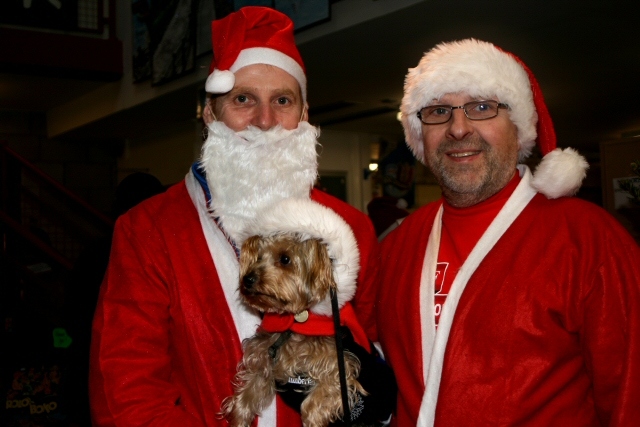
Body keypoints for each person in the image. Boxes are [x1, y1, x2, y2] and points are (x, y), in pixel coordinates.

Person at [89, 7, 383, 427]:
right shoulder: (148, 230)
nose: (264, 122)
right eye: (243, 99)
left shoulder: (349, 229)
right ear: (210, 114)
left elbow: (368, 350)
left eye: (282, 100)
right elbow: (126, 388)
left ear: (303, 115)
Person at [376, 38, 640, 426]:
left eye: (482, 107)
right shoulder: (398, 244)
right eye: (438, 111)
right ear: (420, 134)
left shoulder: (589, 239)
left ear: (518, 127)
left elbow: (630, 395)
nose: (458, 128)